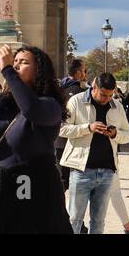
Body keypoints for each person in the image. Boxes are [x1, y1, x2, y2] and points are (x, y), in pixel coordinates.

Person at [0, 44, 72, 234]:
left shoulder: (50, 105)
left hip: (36, 182)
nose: (15, 65)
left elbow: (31, 109)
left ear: (39, 71)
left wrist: (7, 70)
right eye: (14, 62)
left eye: (23, 62)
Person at [59, 72, 129, 234]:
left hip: (107, 172)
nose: (107, 98)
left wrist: (115, 134)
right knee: (75, 220)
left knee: (98, 221)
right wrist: (87, 128)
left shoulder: (117, 106)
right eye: (103, 94)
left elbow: (128, 135)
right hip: (81, 170)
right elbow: (62, 128)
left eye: (110, 95)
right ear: (94, 87)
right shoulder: (76, 101)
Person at [55, 58, 88, 190]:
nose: (85, 74)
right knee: (73, 181)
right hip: (73, 140)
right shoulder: (80, 92)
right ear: (78, 72)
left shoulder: (57, 88)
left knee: (60, 178)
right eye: (84, 70)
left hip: (57, 138)